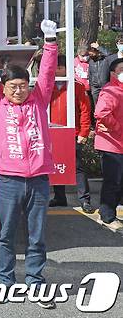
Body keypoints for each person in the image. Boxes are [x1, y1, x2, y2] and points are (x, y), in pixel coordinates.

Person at [0, 19, 58, 309]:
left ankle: (35, 283)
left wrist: (49, 42)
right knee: (6, 235)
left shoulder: (39, 101)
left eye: (23, 86)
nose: (19, 91)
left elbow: (47, 75)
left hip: (38, 179)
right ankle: (5, 282)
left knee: (36, 237)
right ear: (3, 88)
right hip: (8, 181)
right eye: (13, 86)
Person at [49, 55, 94, 213]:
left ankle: (84, 200)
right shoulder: (48, 85)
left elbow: (85, 111)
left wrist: (84, 132)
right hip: (52, 131)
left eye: (59, 67)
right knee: (55, 165)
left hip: (72, 133)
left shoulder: (77, 86)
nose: (55, 70)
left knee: (77, 167)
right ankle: (60, 197)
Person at [94, 58, 123, 231]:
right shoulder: (111, 90)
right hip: (111, 144)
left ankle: (108, 213)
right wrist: (117, 127)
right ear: (113, 73)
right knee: (113, 181)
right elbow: (101, 112)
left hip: (118, 143)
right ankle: (106, 216)